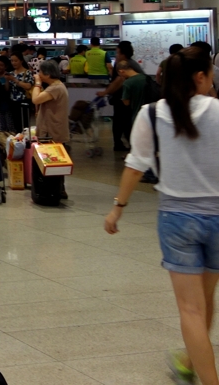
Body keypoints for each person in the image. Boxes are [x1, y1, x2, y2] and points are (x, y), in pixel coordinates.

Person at [104, 46, 219, 385]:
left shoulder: (151, 114)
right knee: (205, 301)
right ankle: (187, 362)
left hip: (177, 219)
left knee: (191, 310)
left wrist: (117, 209)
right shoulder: (217, 110)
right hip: (217, 216)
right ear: (200, 77)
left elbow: (135, 166)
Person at [31, 59, 70, 199]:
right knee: (57, 162)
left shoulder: (55, 88)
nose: (39, 74)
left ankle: (52, 191)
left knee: (53, 162)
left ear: (47, 74)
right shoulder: (58, 86)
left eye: (40, 72)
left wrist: (37, 84)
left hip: (52, 132)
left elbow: (35, 99)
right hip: (54, 130)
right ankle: (59, 189)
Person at [98, 41, 145, 153]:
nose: (116, 55)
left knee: (124, 122)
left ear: (123, 54)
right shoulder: (127, 63)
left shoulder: (125, 64)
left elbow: (119, 80)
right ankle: (120, 144)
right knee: (121, 121)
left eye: (118, 53)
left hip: (126, 98)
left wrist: (106, 92)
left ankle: (130, 147)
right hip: (124, 97)